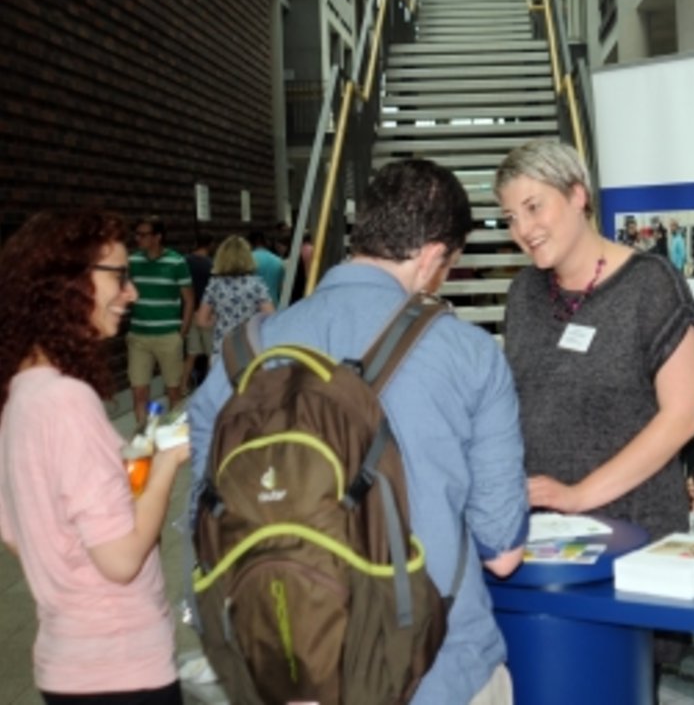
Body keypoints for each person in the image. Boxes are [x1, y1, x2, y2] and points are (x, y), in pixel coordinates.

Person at [190, 160, 528, 705]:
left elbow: (202, 529)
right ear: (434, 255)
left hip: (281, 667)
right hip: (436, 670)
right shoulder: (470, 357)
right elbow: (501, 551)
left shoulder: (241, 358)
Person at [0, 210, 189, 703]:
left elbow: (23, 533)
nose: (132, 293)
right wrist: (167, 463)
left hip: (67, 663)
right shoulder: (67, 402)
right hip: (120, 665)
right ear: (66, 283)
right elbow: (121, 559)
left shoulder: (19, 395)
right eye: (118, 277)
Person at [495, 137, 694, 544]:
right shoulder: (523, 293)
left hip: (638, 536)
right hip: (545, 540)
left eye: (534, 207)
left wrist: (578, 496)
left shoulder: (651, 285)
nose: (523, 229)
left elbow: (683, 418)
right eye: (510, 217)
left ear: (577, 195)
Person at [129, 215, 194, 429]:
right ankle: (142, 435)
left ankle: (174, 434)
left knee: (173, 389)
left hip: (168, 335)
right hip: (139, 335)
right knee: (139, 390)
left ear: (158, 237)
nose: (138, 238)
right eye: (137, 234)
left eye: (144, 234)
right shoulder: (133, 262)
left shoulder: (176, 262)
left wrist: (181, 332)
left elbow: (189, 299)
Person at [196, 235, 275, 360]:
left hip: (222, 349)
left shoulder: (215, 284)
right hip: (249, 348)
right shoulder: (256, 284)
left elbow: (201, 320)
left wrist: (217, 320)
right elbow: (270, 316)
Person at [181, 233, 214, 392]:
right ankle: (208, 388)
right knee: (210, 353)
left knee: (192, 353)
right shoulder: (211, 265)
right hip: (207, 313)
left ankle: (182, 385)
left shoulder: (184, 262)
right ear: (210, 246)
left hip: (190, 311)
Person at [246, 229, 285, 306]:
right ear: (265, 242)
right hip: (274, 305)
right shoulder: (278, 260)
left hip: (253, 307)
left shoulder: (247, 260)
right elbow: (281, 288)